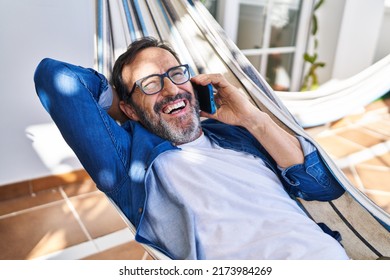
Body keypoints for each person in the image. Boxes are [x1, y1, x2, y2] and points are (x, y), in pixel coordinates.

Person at [34, 36, 349, 260]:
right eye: (151, 82)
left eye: (176, 74)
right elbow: (56, 77)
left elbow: (324, 187)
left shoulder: (239, 134)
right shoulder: (131, 162)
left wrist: (254, 120)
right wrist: (122, 105)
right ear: (129, 109)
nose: (172, 89)